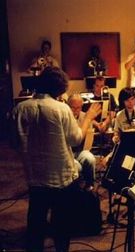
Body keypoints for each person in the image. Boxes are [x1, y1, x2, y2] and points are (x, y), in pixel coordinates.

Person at [12, 67, 101, 252]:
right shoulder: (61, 109)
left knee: (36, 221)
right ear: (59, 88)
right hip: (61, 178)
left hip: (34, 177)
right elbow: (76, 139)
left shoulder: (20, 108)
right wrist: (89, 117)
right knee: (61, 223)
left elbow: (14, 142)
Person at [67, 94, 96, 190]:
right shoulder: (65, 117)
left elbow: (89, 138)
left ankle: (90, 184)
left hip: (81, 150)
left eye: (78, 107)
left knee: (90, 158)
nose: (76, 110)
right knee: (77, 167)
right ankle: (76, 190)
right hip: (68, 152)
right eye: (73, 108)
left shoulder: (85, 116)